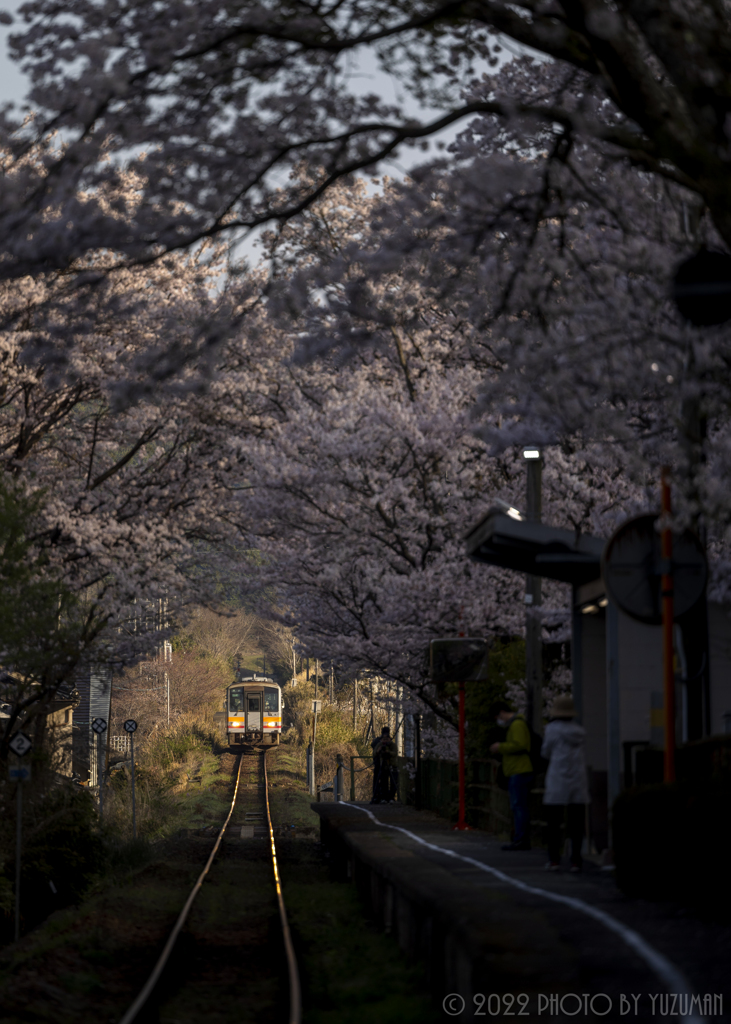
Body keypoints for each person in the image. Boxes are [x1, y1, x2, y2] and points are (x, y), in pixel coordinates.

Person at [541, 694, 588, 872]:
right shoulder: (580, 731)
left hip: (557, 779)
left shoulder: (552, 729)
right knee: (576, 823)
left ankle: (554, 859)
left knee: (553, 823)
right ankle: (576, 860)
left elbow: (545, 752)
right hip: (578, 779)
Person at [489, 701, 534, 850]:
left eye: (497, 717)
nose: (498, 721)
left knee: (518, 806)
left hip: (519, 770)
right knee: (518, 806)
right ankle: (520, 838)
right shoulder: (516, 724)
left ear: (502, 713)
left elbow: (520, 744)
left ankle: (521, 839)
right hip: (516, 770)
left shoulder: (517, 724)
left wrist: (500, 747)